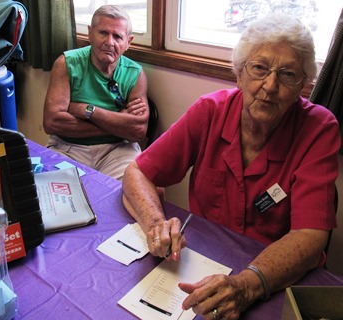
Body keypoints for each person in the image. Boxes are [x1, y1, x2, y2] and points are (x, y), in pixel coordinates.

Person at [122, 14, 340, 320]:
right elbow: (138, 172)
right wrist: (155, 222)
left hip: (271, 277)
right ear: (239, 75)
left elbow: (310, 236)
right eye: (259, 68)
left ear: (303, 85)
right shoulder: (209, 111)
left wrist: (247, 286)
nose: (270, 85)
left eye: (288, 74)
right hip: (202, 263)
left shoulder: (319, 129)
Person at [43, 5, 149, 180]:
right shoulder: (67, 63)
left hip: (117, 150)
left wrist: (88, 110)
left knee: (136, 189)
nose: (110, 42)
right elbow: (52, 123)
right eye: (103, 33)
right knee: (52, 193)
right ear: (90, 33)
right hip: (68, 148)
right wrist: (118, 123)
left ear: (128, 42)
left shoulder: (136, 73)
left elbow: (137, 131)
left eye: (117, 36)